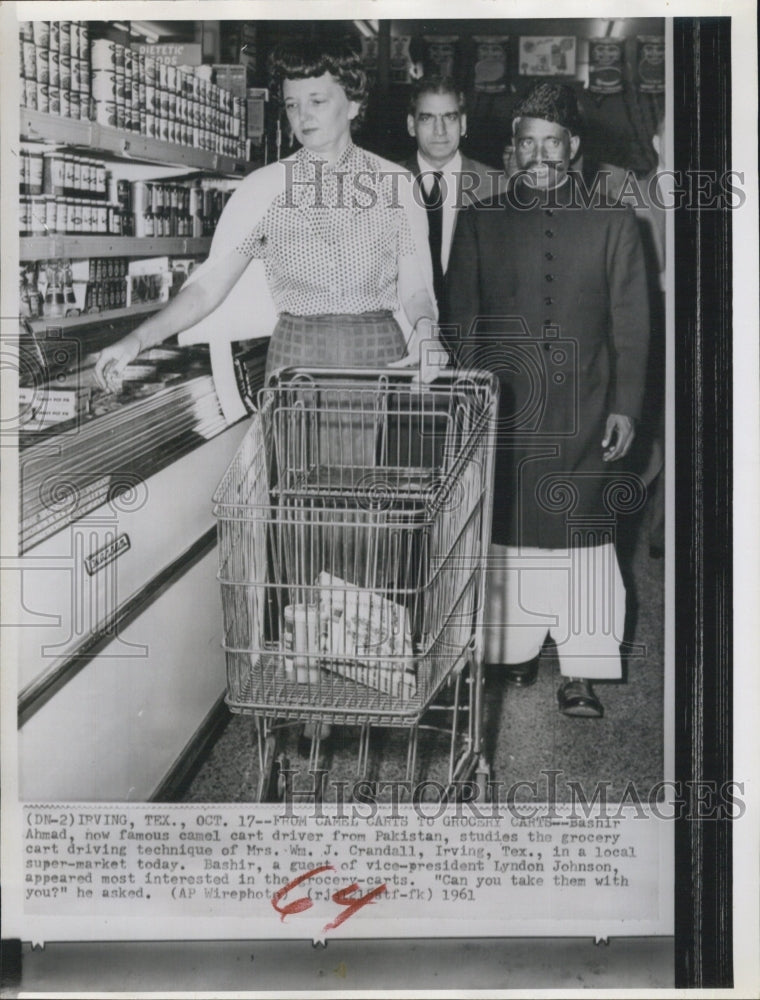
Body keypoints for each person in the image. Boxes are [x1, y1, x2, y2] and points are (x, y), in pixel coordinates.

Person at [444, 82, 650, 718]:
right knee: (509, 534)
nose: (539, 155)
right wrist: (474, 396)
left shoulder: (615, 219)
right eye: (527, 143)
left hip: (587, 407)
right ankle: (515, 650)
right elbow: (460, 318)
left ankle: (583, 672)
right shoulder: (480, 217)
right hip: (507, 410)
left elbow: (633, 322)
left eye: (551, 143)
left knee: (584, 537)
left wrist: (627, 406)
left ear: (573, 146)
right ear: (512, 150)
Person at [94, 37, 444, 394]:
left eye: (317, 101)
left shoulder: (396, 185)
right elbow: (207, 288)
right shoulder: (264, 189)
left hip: (378, 357)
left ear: (353, 104)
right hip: (297, 357)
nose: (303, 116)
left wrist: (428, 334)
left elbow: (416, 289)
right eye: (292, 105)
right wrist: (136, 341)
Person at [401, 75, 498, 311]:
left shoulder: (497, 187)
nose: (440, 130)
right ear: (411, 125)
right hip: (404, 332)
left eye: (450, 117)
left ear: (463, 124)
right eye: (427, 118)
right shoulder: (384, 185)